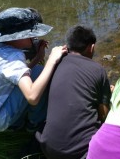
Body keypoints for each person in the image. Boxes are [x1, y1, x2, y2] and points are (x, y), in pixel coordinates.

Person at [0, 7, 67, 137]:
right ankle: (34, 125)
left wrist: (38, 58)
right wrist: (52, 60)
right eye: (30, 34)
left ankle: (16, 122)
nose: (34, 38)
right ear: (16, 37)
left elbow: (18, 73)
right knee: (41, 73)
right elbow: (32, 97)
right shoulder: (13, 56)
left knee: (34, 72)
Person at [36, 26, 112, 159]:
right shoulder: (98, 70)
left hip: (47, 147)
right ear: (92, 47)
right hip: (81, 152)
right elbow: (104, 115)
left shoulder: (53, 64)